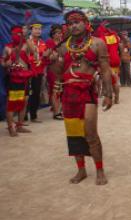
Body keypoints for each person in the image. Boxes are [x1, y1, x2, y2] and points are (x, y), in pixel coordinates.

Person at [53, 10, 113, 185]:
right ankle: (81, 170)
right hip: (68, 92)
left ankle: (100, 169)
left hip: (87, 92)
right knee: (73, 132)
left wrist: (108, 93)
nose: (74, 25)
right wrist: (53, 59)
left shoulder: (97, 43)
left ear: (86, 24)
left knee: (90, 132)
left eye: (78, 22)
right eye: (71, 23)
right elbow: (58, 72)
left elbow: (105, 69)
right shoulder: (64, 47)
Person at [1, 26, 34, 136]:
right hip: (14, 79)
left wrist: (26, 38)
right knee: (11, 104)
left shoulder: (26, 45)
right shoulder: (7, 48)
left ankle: (19, 125)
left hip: (25, 78)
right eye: (16, 34)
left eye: (20, 34)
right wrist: (8, 62)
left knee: (24, 102)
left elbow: (33, 50)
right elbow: (3, 63)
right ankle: (11, 127)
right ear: (11, 34)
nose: (18, 36)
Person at [26, 22, 47, 123]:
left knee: (36, 93)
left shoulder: (43, 43)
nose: (38, 31)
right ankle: (24, 116)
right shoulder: (27, 42)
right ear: (31, 30)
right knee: (26, 94)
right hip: (27, 72)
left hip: (39, 72)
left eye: (39, 29)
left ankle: (34, 116)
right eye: (35, 29)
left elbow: (45, 58)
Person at [45, 24, 64, 120]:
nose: (59, 35)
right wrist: (53, 56)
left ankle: (58, 110)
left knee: (61, 91)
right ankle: (56, 113)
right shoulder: (49, 42)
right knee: (55, 91)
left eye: (60, 33)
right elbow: (47, 57)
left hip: (62, 70)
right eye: (56, 33)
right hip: (53, 70)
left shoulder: (63, 42)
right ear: (52, 34)